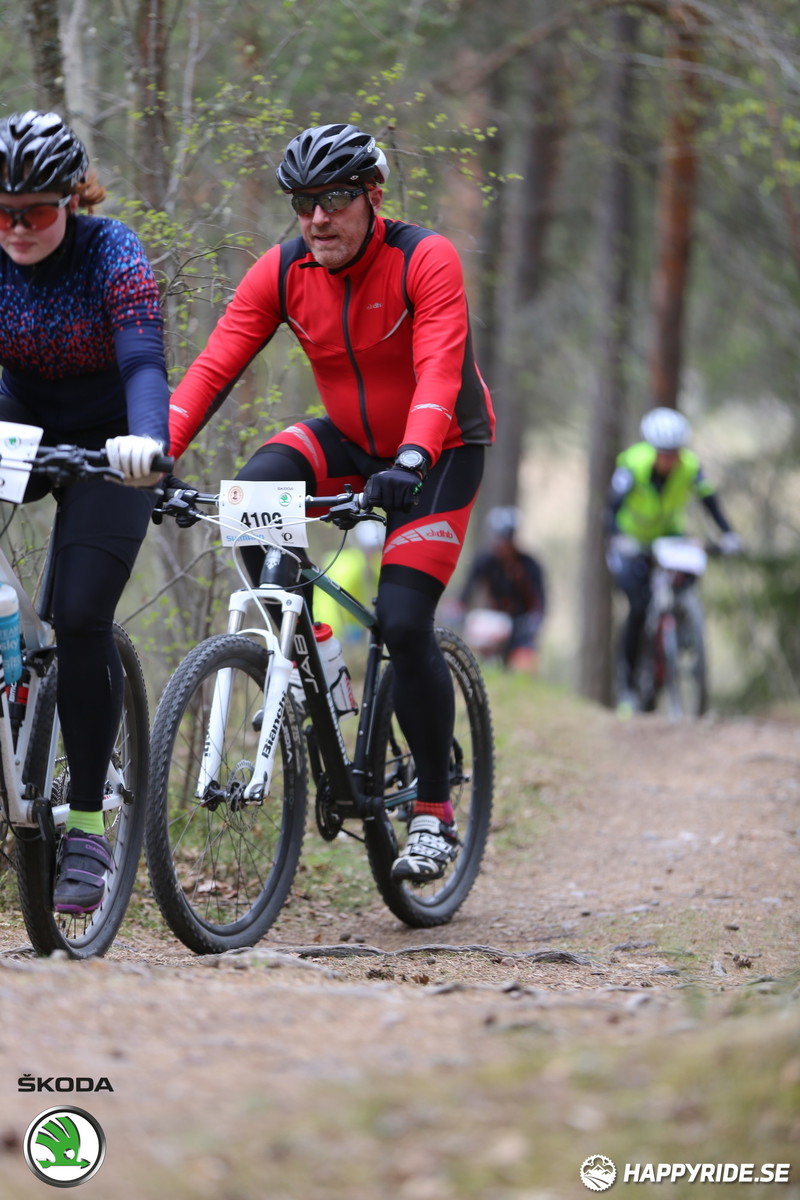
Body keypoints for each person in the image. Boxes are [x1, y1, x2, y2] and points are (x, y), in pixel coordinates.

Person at [168, 122, 495, 882]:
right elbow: (214, 366)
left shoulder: (425, 257)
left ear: (372, 197)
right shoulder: (283, 272)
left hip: (441, 448)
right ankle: (313, 647)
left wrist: (412, 456)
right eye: (304, 202)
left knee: (405, 620)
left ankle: (435, 812)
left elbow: (441, 370)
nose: (318, 217)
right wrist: (157, 452)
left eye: (337, 198)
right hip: (349, 440)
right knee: (249, 496)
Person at [0, 111, 169, 912]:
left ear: (73, 198)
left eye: (34, 210)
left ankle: (90, 823)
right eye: (1, 213)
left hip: (110, 446)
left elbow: (142, 359)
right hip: (20, 429)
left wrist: (146, 442)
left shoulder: (114, 253)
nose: (17, 227)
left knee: (79, 617)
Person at [606, 406, 741, 709]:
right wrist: (616, 538)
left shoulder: (690, 467)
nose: (669, 459)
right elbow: (611, 510)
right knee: (638, 607)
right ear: (652, 450)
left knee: (687, 582)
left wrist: (729, 534)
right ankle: (627, 687)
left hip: (670, 538)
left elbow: (710, 502)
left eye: (674, 452)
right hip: (632, 541)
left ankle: (684, 631)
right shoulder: (632, 465)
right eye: (663, 453)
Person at [459, 505, 546, 671]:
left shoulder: (529, 565)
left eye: (506, 538)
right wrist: (458, 606)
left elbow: (540, 600)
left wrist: (535, 620)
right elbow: (467, 590)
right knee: (481, 654)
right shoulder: (486, 561)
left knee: (523, 666)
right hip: (495, 622)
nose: (502, 544)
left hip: (521, 625)